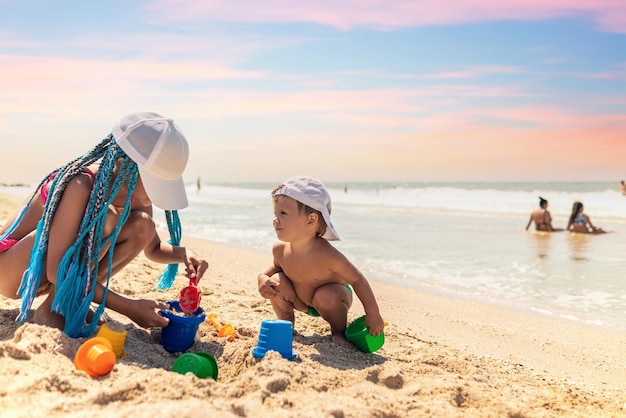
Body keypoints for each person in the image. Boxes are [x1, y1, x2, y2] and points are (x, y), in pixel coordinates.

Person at [0, 112, 209, 338]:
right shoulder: (80, 184)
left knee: (143, 225)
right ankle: (54, 309)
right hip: (11, 269)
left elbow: (154, 249)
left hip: (55, 271)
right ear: (124, 165)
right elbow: (56, 271)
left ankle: (76, 297)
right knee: (106, 218)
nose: (154, 197)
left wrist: (184, 253)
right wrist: (128, 307)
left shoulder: (134, 195)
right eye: (154, 184)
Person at [257, 175, 384, 349]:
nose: (275, 219)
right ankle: (286, 327)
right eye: (276, 213)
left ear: (311, 219)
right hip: (301, 300)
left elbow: (357, 279)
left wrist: (373, 314)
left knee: (326, 296)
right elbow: (270, 271)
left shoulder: (328, 255)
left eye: (283, 213)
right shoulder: (280, 250)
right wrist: (262, 279)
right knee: (276, 281)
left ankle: (338, 332)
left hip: (332, 300)